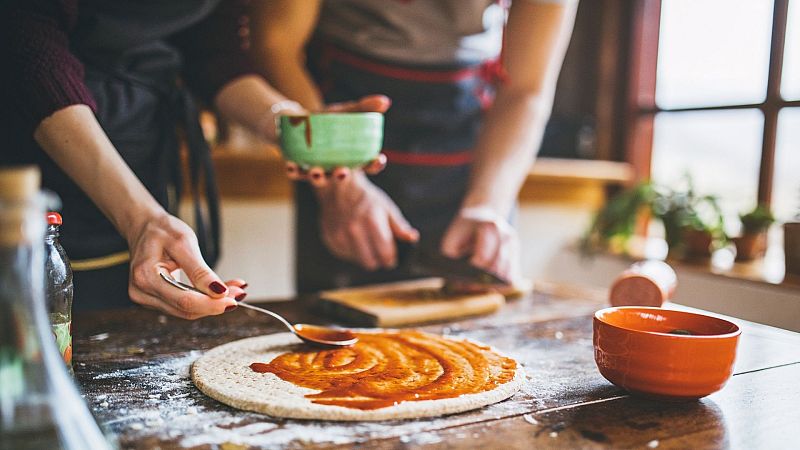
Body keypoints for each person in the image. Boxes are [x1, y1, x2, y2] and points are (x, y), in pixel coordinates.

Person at [0, 0, 380, 318]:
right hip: (27, 170)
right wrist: (140, 217)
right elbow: (27, 43)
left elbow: (211, 46)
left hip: (140, 150)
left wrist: (294, 127)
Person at [255, 0, 578, 292]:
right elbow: (275, 45)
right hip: (339, 126)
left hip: (474, 149)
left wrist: (488, 205)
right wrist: (335, 177)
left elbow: (526, 90)